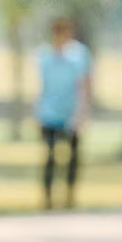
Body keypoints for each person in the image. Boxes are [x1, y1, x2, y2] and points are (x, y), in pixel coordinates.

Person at [36, 17, 93, 208]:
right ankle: (48, 198)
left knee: (73, 157)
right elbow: (42, 86)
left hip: (72, 113)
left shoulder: (79, 55)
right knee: (50, 156)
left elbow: (84, 85)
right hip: (50, 113)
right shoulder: (45, 56)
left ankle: (70, 195)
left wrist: (83, 113)